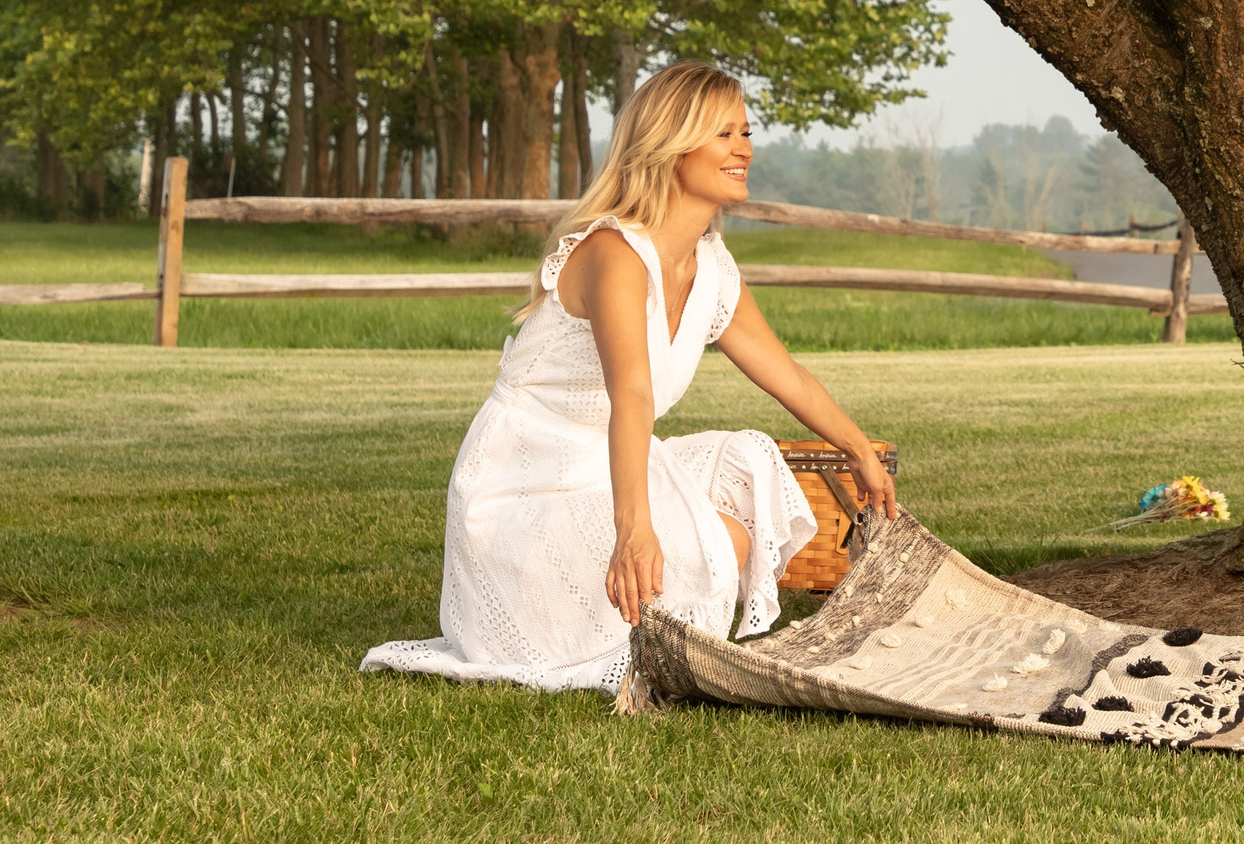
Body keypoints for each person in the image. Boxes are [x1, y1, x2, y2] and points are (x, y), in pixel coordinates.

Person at [363, 62, 897, 695]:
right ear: (671, 145)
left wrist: (860, 451)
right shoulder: (614, 253)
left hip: (612, 460)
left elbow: (790, 375)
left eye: (746, 133)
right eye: (723, 134)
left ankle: (656, 620)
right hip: (524, 485)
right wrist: (633, 531)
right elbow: (632, 394)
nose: (744, 149)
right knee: (701, 551)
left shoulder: (711, 267)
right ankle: (597, 622)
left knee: (747, 472)